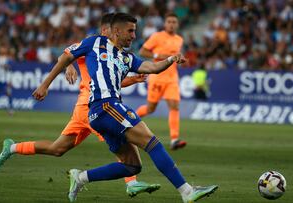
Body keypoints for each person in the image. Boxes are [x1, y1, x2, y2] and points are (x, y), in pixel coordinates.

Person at [32, 12, 218, 203]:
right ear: (116, 31)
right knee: (152, 143)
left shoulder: (127, 58)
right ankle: (187, 192)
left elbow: (151, 67)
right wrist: (45, 84)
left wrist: (170, 60)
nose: (133, 36)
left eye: (134, 31)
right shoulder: (94, 42)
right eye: (130, 31)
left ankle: (80, 177)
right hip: (106, 105)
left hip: (102, 113)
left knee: (132, 166)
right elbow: (65, 57)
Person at [0, 13, 160, 198]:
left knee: (57, 149)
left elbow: (112, 83)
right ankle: (132, 183)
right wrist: (69, 66)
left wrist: (133, 79)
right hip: (92, 107)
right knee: (120, 135)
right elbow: (67, 54)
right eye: (110, 31)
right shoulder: (93, 43)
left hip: (87, 106)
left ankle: (12, 148)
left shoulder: (112, 54)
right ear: (105, 30)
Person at [135, 13, 187, 150]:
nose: (171, 24)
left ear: (177, 24)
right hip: (157, 77)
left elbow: (175, 56)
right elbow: (143, 51)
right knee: (150, 109)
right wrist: (159, 56)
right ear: (165, 24)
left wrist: (180, 59)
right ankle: (129, 119)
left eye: (174, 22)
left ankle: (174, 139)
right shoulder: (157, 36)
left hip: (172, 79)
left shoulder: (179, 39)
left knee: (174, 106)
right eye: (169, 21)